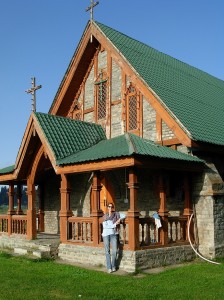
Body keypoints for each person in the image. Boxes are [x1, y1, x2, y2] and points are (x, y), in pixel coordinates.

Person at [102, 203, 125, 273]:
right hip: (105, 234)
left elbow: (124, 215)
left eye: (111, 207)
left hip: (114, 234)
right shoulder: (105, 216)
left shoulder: (116, 214)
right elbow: (105, 226)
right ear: (107, 208)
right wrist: (115, 224)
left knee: (114, 251)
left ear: (113, 208)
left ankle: (113, 266)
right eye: (109, 207)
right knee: (107, 251)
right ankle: (109, 267)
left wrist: (119, 219)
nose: (110, 208)